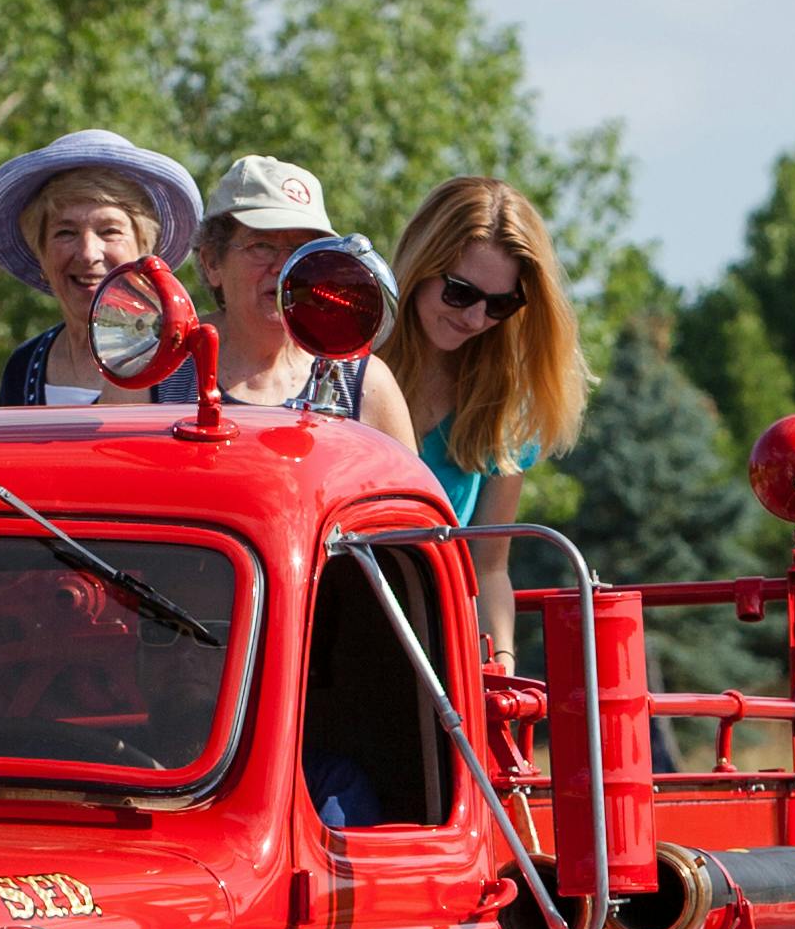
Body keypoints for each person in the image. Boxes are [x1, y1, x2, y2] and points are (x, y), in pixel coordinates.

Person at [377, 177, 589, 670]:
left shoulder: (504, 403)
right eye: (460, 292)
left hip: (431, 644)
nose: (475, 318)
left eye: (500, 304)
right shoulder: (345, 363)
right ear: (419, 264)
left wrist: (502, 664)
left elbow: (489, 565)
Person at [193, 158, 420, 441]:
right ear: (212, 261)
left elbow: (410, 484)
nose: (284, 267)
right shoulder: (160, 370)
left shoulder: (363, 384)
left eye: (302, 250)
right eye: (261, 246)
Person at [0, 130, 203, 407]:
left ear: (145, 250)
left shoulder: (187, 365)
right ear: (41, 252)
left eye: (109, 231)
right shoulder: (24, 365)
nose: (88, 253)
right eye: (66, 233)